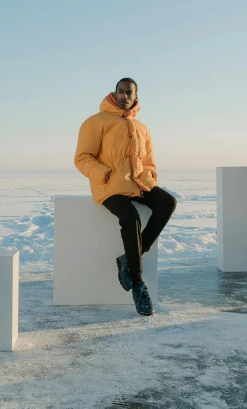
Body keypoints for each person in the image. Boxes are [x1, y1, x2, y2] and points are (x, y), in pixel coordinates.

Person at [74, 78, 177, 316]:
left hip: (138, 183)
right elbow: (82, 157)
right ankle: (139, 283)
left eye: (128, 92)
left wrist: (149, 177)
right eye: (120, 92)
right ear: (114, 93)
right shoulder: (96, 122)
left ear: (135, 96)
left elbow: (148, 161)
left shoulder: (142, 128)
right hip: (109, 185)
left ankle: (130, 259)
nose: (123, 96)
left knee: (167, 203)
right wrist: (105, 173)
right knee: (130, 217)